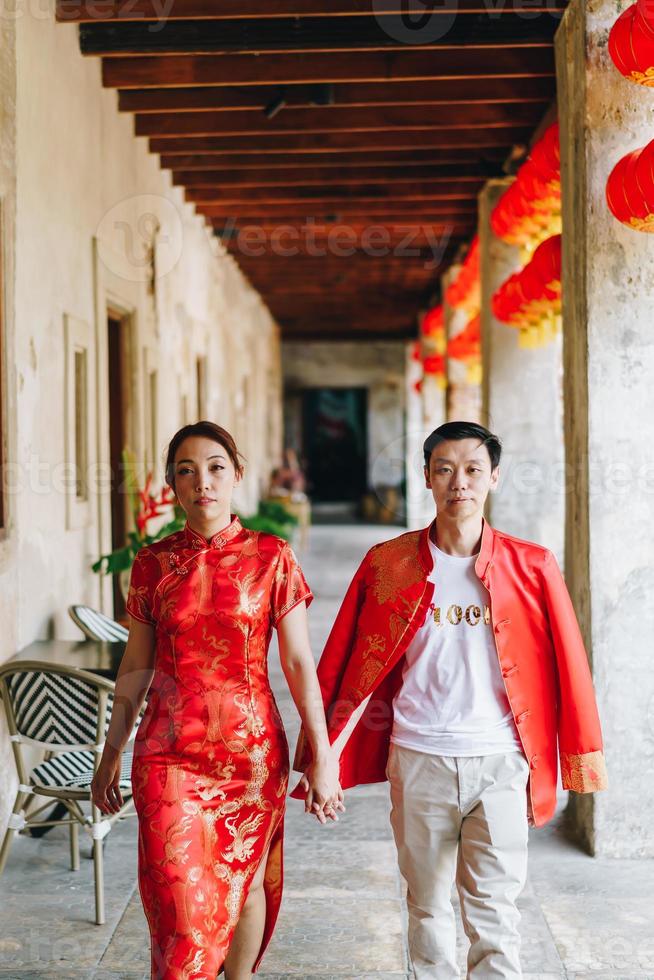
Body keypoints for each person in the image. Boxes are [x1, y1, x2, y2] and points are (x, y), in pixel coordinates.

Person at [292, 420, 608, 979]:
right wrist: (324, 758)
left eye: (472, 469)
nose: (458, 481)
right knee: (429, 913)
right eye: (445, 469)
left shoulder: (531, 566)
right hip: (418, 759)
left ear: (493, 478)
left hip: (503, 762)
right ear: (427, 479)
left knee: (495, 917)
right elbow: (345, 670)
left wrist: (575, 758)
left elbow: (570, 667)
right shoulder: (386, 564)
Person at [91, 421, 342, 980]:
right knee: (179, 902)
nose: (202, 481)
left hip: (250, 755)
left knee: (244, 881)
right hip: (167, 754)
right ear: (173, 485)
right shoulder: (152, 563)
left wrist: (321, 754)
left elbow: (299, 662)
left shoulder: (272, 557)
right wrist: (110, 753)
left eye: (214, 468)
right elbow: (136, 665)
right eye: (186, 470)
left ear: (237, 476)